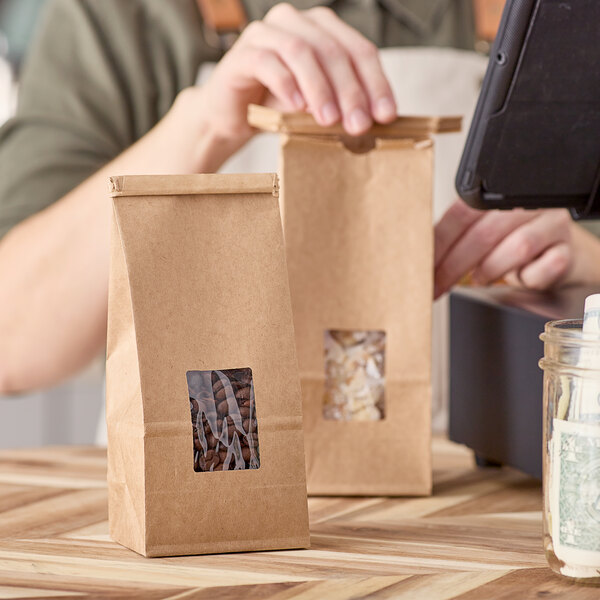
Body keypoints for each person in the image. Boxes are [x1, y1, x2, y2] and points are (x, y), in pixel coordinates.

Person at [0, 0, 599, 396]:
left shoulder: (553, 14)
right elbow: (13, 339)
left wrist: (582, 259)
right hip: (196, 530)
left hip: (479, 520)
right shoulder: (125, 15)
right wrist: (204, 127)